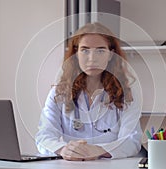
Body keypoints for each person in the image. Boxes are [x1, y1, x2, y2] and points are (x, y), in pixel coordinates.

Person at [35, 22, 143, 161]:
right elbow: (44, 136)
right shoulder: (59, 92)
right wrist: (63, 149)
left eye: (100, 50)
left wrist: (99, 150)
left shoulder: (127, 93)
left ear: (111, 55)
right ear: (76, 54)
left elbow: (131, 141)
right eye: (85, 50)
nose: (92, 58)